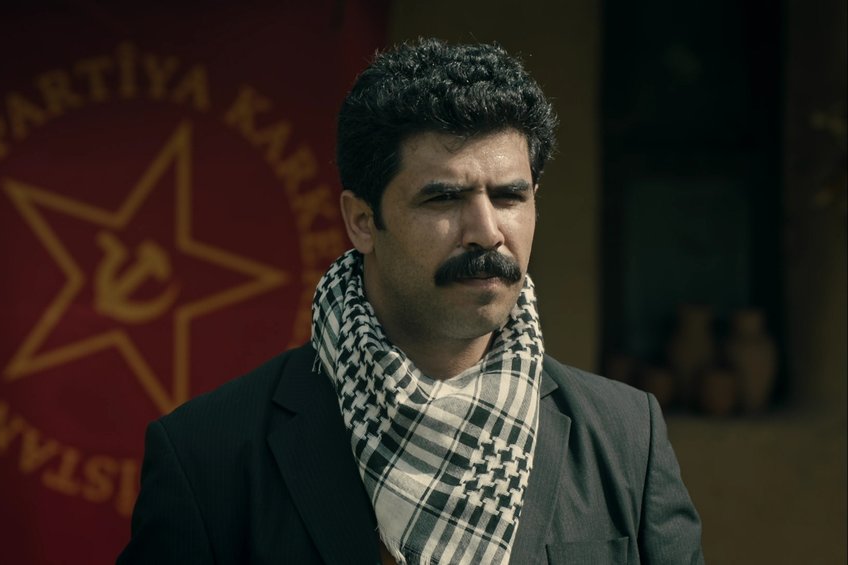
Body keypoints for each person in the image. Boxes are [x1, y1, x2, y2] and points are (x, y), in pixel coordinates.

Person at [118, 38, 704, 565]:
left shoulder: (627, 438)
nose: (487, 232)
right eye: (443, 199)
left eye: (509, 197)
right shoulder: (208, 456)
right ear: (361, 221)